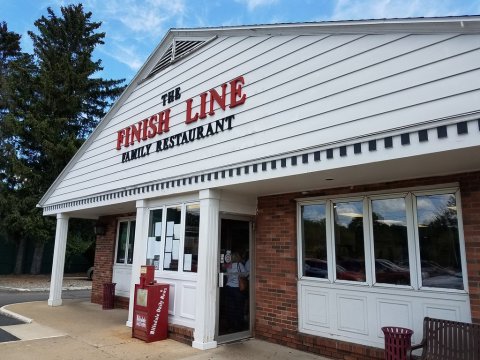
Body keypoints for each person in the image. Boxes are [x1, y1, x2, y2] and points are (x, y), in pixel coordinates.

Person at [225, 252, 247, 331]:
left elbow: (227, 275)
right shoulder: (239, 265)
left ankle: (231, 325)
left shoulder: (228, 265)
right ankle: (238, 326)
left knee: (230, 307)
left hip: (228, 287)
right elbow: (245, 274)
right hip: (237, 288)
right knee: (239, 308)